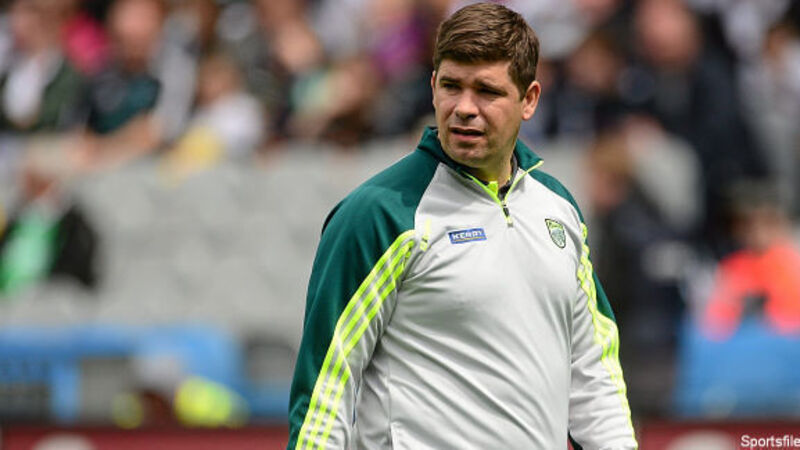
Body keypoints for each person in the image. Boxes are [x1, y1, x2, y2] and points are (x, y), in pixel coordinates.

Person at [288, 3, 637, 449]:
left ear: (529, 100)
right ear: (433, 86)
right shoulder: (378, 214)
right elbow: (325, 392)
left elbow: (594, 374)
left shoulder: (559, 209)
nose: (464, 108)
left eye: (486, 91)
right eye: (451, 86)